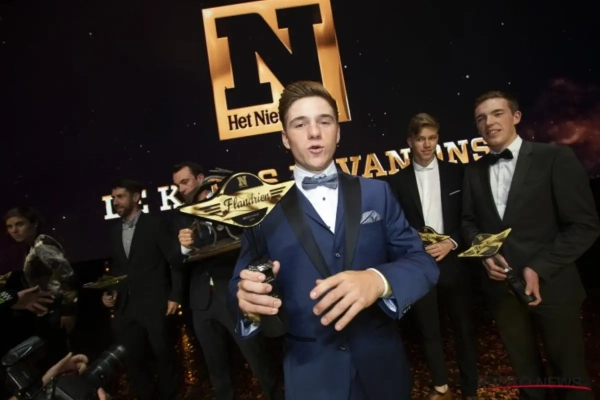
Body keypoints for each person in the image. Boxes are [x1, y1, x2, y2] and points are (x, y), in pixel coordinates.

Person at [230, 81, 439, 400]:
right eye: (300, 124)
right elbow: (239, 284)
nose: (314, 132)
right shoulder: (262, 210)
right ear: (285, 138)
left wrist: (378, 280)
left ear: (338, 132)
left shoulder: (377, 193)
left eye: (324, 121)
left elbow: (422, 262)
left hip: (383, 369)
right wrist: (246, 301)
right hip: (311, 376)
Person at [462, 91, 600, 400]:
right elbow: (469, 224)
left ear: (516, 117)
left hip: (553, 286)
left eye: (497, 113)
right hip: (502, 292)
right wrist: (485, 254)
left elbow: (584, 225)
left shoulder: (555, 157)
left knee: (570, 375)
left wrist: (539, 267)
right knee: (527, 377)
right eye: (481, 118)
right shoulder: (473, 171)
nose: (489, 122)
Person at [389, 113, 478, 400]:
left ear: (437, 138)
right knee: (429, 331)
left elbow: (469, 217)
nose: (427, 145)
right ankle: (441, 386)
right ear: (410, 141)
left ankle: (470, 390)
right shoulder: (396, 182)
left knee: (464, 329)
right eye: (420, 139)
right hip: (419, 264)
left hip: (454, 261)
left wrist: (451, 242)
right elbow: (395, 228)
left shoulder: (457, 173)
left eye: (432, 138)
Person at [175, 162, 282, 400]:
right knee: (216, 368)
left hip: (234, 292)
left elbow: (252, 242)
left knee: (257, 358)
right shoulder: (181, 215)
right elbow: (176, 261)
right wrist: (184, 247)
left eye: (185, 182)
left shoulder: (232, 202)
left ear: (200, 178)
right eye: (177, 185)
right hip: (201, 302)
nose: (181, 189)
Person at [102, 179, 183, 400]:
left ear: (136, 197)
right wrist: (110, 293)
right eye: (114, 198)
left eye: (120, 197)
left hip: (155, 304)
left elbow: (175, 262)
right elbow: (118, 269)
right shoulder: (114, 231)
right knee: (134, 360)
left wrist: (175, 295)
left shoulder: (155, 224)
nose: (115, 202)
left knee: (163, 356)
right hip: (126, 308)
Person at [2, 207, 78, 369]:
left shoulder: (42, 245)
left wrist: (68, 311)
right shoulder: (31, 245)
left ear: (34, 223)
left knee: (62, 360)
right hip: (47, 310)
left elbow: (67, 275)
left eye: (19, 224)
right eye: (9, 226)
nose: (14, 230)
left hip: (57, 309)